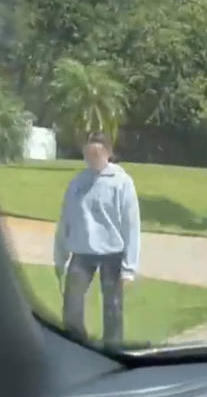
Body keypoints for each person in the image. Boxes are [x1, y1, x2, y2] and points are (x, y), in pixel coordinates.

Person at [53, 132, 141, 346]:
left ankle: (113, 346)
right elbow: (66, 219)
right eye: (88, 154)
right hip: (82, 253)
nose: (92, 158)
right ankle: (77, 344)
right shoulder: (77, 183)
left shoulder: (122, 183)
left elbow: (131, 225)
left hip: (112, 253)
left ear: (108, 153)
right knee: (72, 304)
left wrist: (129, 268)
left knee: (112, 306)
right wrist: (60, 256)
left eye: (97, 153)